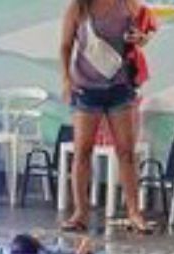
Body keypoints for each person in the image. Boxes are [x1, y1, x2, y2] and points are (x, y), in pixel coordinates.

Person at [59, 0, 154, 233]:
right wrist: (66, 79)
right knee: (82, 151)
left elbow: (143, 34)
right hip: (86, 89)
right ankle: (80, 212)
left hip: (119, 88)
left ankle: (134, 212)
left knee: (126, 153)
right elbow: (65, 45)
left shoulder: (127, 5)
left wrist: (141, 39)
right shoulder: (78, 8)